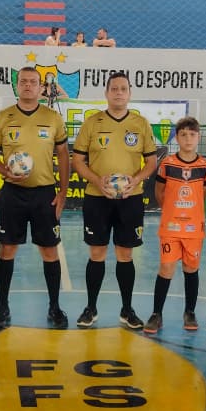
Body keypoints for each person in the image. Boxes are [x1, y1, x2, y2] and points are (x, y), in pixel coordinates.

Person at [0, 66, 70, 329]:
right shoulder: (3, 117)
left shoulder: (53, 117)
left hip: (45, 194)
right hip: (13, 194)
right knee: (7, 249)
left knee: (49, 250)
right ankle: (2, 307)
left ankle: (54, 307)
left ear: (41, 87)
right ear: (17, 85)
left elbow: (63, 155)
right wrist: (5, 171)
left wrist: (63, 192)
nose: (28, 85)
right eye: (23, 81)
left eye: (33, 82)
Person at [72, 71, 157, 330]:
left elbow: (151, 162)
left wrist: (136, 179)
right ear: (106, 93)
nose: (119, 92)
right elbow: (78, 161)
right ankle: (91, 308)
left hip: (130, 199)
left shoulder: (141, 124)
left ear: (129, 93)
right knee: (97, 253)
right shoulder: (92, 123)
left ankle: (127, 309)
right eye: (114, 88)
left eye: (123, 88)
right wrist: (98, 181)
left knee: (125, 254)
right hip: (97, 198)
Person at [144, 117, 206, 335]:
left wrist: (191, 213)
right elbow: (159, 192)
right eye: (183, 134)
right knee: (166, 268)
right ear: (177, 138)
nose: (188, 139)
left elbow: (203, 193)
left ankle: (189, 312)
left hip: (193, 229)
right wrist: (172, 211)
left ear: (198, 137)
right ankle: (156, 314)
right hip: (170, 227)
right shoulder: (168, 164)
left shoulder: (205, 166)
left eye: (192, 134)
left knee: (191, 269)